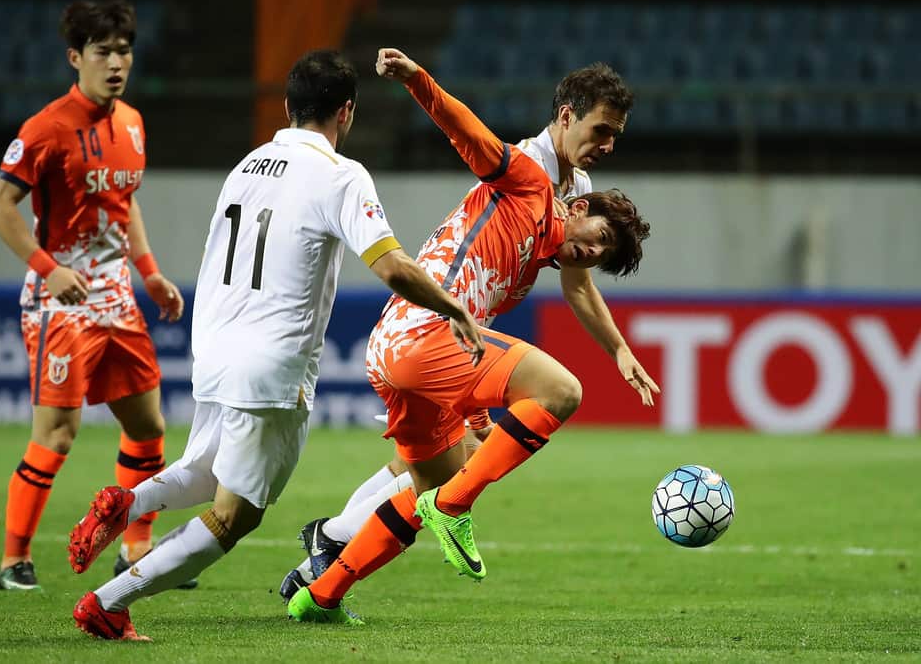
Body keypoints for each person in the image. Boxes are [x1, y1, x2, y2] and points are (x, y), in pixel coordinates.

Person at [64, 48, 486, 640]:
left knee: (208, 471)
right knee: (235, 515)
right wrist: (452, 306)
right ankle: (111, 602)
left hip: (214, 348)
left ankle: (126, 505)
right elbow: (391, 267)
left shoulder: (248, 164)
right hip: (272, 363)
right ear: (347, 112)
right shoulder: (341, 175)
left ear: (287, 107)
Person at [286, 47, 657, 624]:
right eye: (601, 129)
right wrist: (417, 80)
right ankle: (441, 510)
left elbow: (579, 285)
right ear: (566, 116)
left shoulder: (573, 189)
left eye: (616, 135)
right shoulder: (531, 169)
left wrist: (620, 348)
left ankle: (322, 575)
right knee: (554, 397)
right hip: (430, 330)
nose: (609, 144)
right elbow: (470, 136)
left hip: (418, 339)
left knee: (438, 475)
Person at [0, 0, 187, 592]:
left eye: (124, 50)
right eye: (103, 52)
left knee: (148, 426)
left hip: (117, 298)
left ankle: (137, 549)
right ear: (76, 57)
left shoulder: (131, 122)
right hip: (61, 304)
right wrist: (48, 270)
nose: (116, 63)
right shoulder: (45, 128)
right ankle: (12, 562)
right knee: (58, 434)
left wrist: (149, 273)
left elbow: (126, 207)